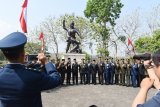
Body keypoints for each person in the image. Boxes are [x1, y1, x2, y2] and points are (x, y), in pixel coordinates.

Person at [0, 32, 61, 107]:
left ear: (5, 56)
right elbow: (56, 79)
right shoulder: (32, 76)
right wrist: (46, 62)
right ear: (23, 54)